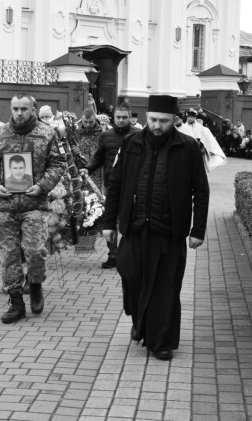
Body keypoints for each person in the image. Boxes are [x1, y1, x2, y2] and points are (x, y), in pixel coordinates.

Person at [103, 94, 209, 361]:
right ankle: (140, 318)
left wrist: (197, 230)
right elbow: (115, 184)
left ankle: (160, 341)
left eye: (163, 121)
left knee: (166, 287)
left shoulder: (187, 147)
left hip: (169, 232)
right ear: (146, 117)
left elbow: (201, 190)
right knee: (130, 274)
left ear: (174, 120)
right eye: (153, 120)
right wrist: (109, 223)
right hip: (135, 227)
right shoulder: (131, 143)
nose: (157, 126)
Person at [0, 92, 66, 324]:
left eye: (24, 109)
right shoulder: (0, 135)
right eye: (16, 108)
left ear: (33, 110)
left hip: (34, 205)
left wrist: (42, 186)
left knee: (35, 251)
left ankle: (36, 282)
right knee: (8, 256)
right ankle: (16, 303)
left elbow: (59, 163)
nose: (19, 113)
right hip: (5, 206)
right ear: (11, 109)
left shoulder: (47, 134)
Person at [79, 102, 140, 269]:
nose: (120, 120)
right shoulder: (106, 136)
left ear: (130, 118)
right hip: (111, 185)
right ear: (114, 118)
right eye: (118, 117)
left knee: (130, 220)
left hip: (132, 186)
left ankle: (129, 254)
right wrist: (87, 168)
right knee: (109, 219)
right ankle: (113, 254)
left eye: (124, 117)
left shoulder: (139, 135)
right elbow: (98, 158)